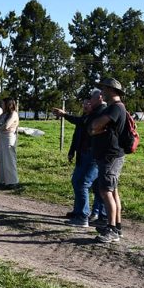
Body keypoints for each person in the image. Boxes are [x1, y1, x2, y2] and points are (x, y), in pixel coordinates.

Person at [53, 90, 108, 228]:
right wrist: (72, 151)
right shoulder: (88, 116)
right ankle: (82, 212)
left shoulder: (101, 112)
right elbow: (77, 134)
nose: (87, 104)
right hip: (84, 154)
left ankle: (85, 215)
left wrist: (64, 115)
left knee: (83, 183)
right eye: (84, 103)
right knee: (81, 182)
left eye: (89, 102)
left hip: (94, 155)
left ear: (99, 98)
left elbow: (83, 123)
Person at [89, 78, 129, 243]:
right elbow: (95, 128)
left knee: (105, 191)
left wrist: (96, 127)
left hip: (110, 156)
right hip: (113, 155)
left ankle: (111, 229)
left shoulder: (115, 108)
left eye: (104, 89)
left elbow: (95, 125)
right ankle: (116, 227)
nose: (102, 92)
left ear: (111, 90)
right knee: (113, 191)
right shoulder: (118, 107)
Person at [0, 98, 19, 186]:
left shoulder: (14, 114)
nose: (2, 105)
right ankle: (3, 180)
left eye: (3, 104)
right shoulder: (3, 114)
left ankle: (12, 182)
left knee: (9, 160)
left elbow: (6, 126)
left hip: (9, 138)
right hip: (1, 138)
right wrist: (0, 125)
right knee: (0, 159)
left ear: (8, 104)